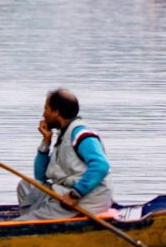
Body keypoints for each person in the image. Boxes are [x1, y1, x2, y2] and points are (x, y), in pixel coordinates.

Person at [21, 87, 115, 217]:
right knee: (26, 185)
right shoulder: (63, 134)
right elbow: (40, 177)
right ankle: (37, 216)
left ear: (55, 112)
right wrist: (46, 141)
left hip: (86, 199)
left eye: (46, 108)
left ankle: (32, 220)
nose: (43, 114)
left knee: (26, 221)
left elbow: (101, 166)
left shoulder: (81, 134)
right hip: (64, 190)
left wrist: (74, 195)